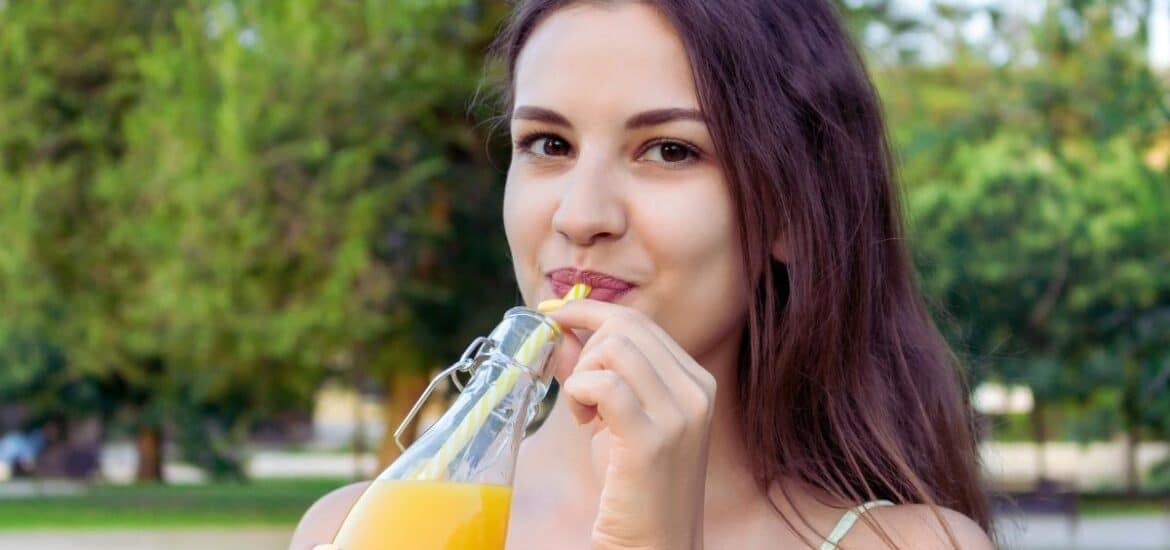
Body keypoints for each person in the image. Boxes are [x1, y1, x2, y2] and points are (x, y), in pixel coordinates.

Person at [292, 1, 996, 548]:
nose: (581, 214)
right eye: (548, 143)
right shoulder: (359, 528)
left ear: (788, 210)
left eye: (667, 150)